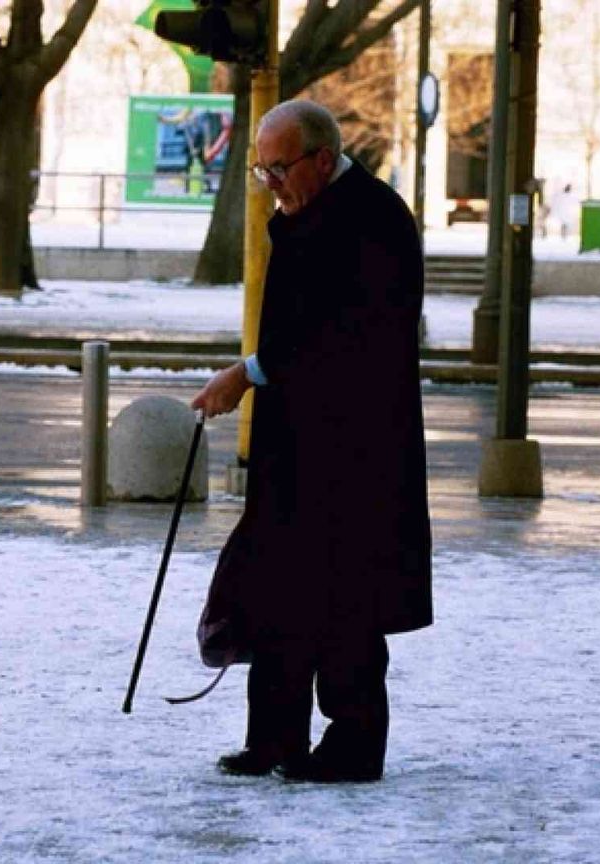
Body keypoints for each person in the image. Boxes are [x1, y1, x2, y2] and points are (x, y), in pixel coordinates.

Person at [190, 99, 432, 784]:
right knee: (280, 585)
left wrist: (248, 373)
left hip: (357, 451)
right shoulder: (310, 213)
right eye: (261, 171)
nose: (271, 184)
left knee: (346, 597)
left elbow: (347, 338)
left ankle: (354, 743)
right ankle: (273, 735)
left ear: (323, 159)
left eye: (280, 169)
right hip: (298, 447)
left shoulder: (374, 220)